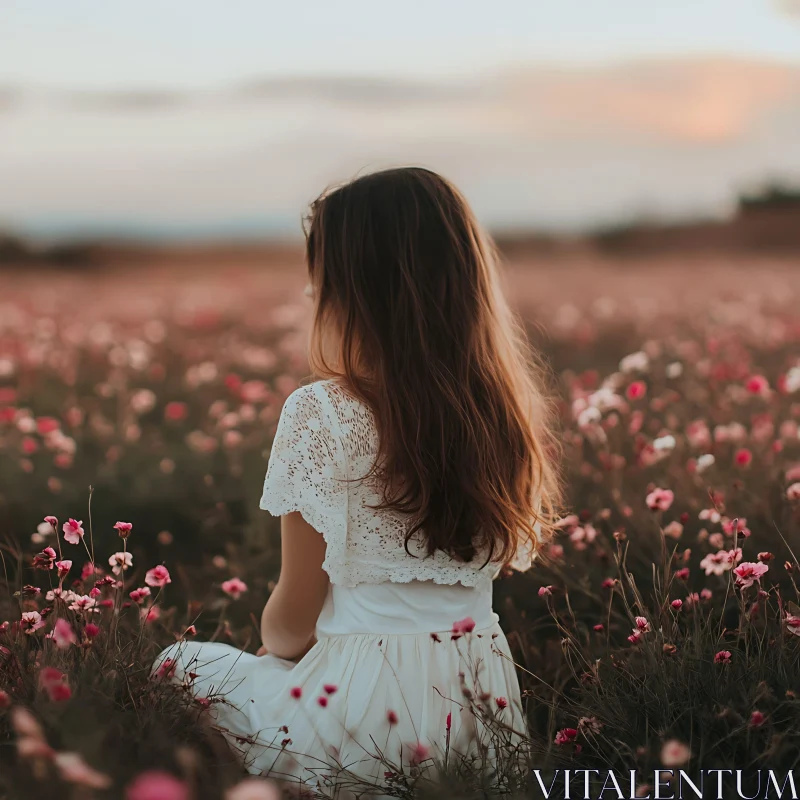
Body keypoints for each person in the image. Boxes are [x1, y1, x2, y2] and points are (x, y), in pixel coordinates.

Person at [154, 166, 562, 794]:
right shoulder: (505, 416)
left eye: (320, 279)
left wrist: (278, 660)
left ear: (355, 292)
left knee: (177, 664)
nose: (310, 294)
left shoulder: (324, 412)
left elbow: (291, 626)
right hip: (481, 727)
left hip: (358, 726)